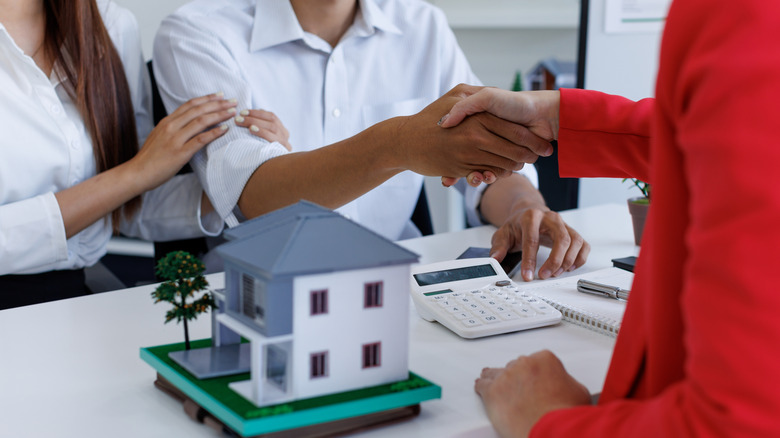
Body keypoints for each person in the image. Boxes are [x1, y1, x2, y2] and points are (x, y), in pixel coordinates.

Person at [438, 0, 780, 436]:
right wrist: (563, 116)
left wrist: (553, 423)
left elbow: (733, 423)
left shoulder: (741, 16)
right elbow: (721, 130)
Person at [152, 0, 590, 281]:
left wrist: (524, 210)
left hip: (402, 284)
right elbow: (252, 194)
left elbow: (489, 165)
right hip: (262, 289)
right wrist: (398, 144)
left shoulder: (422, 26)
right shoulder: (198, 33)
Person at [0, 0, 239, 309]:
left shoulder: (111, 25)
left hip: (69, 303)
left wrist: (244, 183)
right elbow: (131, 178)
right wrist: (133, 175)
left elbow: (129, 205)